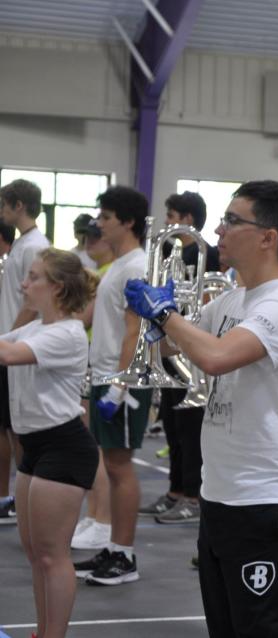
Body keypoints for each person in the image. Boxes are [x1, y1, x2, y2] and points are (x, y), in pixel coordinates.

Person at [124, 180, 278, 637]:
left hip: (266, 496)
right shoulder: (234, 298)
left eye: (233, 220)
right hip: (223, 491)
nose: (219, 230)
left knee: (262, 627)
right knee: (227, 625)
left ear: (268, 237)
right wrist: (155, 313)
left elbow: (215, 356)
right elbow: (179, 343)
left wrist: (165, 314)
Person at [4, 249, 99, 638]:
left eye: (34, 277)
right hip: (36, 447)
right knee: (35, 554)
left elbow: (6, 354)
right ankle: (42, 632)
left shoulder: (67, 333)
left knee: (51, 554)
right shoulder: (36, 328)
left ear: (57, 288)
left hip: (63, 446)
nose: (25, 285)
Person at [72, 186, 153, 586]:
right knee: (112, 464)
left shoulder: (136, 266)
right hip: (105, 374)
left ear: (127, 222)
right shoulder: (118, 266)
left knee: (121, 468)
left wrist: (121, 387)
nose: (99, 223)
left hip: (122, 380)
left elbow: (135, 332)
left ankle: (125, 556)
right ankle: (115, 547)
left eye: (105, 217)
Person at [139, 190, 220, 524]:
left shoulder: (208, 255)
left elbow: (205, 297)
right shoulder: (165, 254)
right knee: (171, 425)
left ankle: (193, 495)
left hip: (193, 348)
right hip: (170, 348)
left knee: (190, 429)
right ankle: (175, 491)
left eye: (172, 216)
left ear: (188, 219)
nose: (168, 223)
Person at [0, 179, 52, 525]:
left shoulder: (36, 247)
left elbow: (32, 306)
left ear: (19, 206)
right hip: (7, 346)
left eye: (4, 204)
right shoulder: (21, 245)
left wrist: (10, 339)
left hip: (15, 347)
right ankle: (8, 496)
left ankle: (21, 497)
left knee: (17, 428)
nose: (1, 211)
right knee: (5, 426)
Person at [70, 220, 115, 551]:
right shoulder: (103, 271)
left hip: (99, 365)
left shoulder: (109, 274)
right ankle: (95, 514)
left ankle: (103, 520)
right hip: (92, 362)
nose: (87, 246)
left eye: (92, 240)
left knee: (95, 448)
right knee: (91, 447)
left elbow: (84, 317)